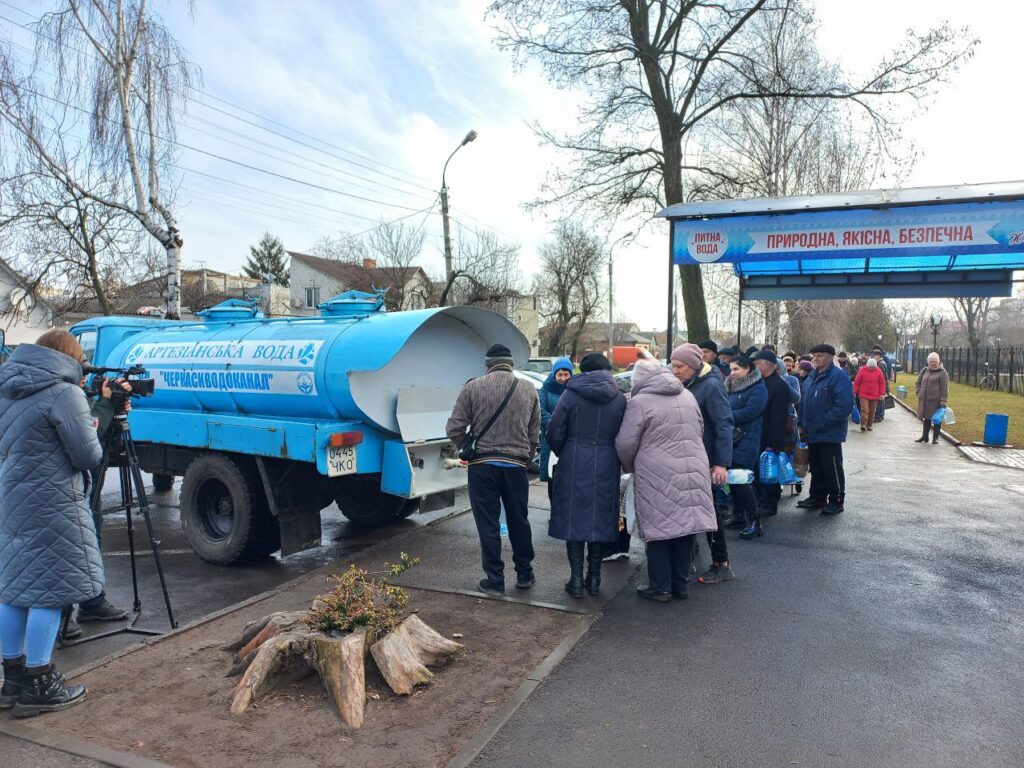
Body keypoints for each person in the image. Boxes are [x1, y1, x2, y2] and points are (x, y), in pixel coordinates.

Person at [0, 330, 104, 717]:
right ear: (70, 358)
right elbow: (86, 456)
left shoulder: (7, 387)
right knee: (49, 590)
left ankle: (12, 679)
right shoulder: (64, 393)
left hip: (12, 499)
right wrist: (93, 427)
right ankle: (40, 681)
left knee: (13, 589)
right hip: (53, 502)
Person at [615, 360, 717, 602]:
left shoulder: (639, 402)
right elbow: (699, 429)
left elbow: (625, 443)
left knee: (659, 530)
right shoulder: (688, 395)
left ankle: (660, 587)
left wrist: (630, 467)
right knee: (685, 529)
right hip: (693, 468)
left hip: (656, 473)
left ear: (639, 379)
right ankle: (680, 585)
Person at [446, 344, 540, 595]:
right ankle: (524, 574)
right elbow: (534, 434)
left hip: (482, 466)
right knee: (518, 520)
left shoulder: (472, 387)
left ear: (487, 364)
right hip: (516, 467)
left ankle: (495, 580)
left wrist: (466, 447)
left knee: (487, 523)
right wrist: (525, 458)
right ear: (511, 364)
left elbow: (454, 427)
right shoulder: (528, 389)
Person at [546, 353, 626, 598]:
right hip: (607, 461)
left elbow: (554, 430)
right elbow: (626, 435)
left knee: (573, 520)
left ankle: (577, 580)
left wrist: (565, 451)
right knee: (600, 519)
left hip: (573, 460)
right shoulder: (620, 398)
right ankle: (595, 579)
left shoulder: (571, 394)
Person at [670, 343, 736, 584]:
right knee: (691, 511)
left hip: (706, 460)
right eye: (673, 365)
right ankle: (688, 559)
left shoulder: (710, 386)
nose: (675, 370)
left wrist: (720, 463)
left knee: (709, 513)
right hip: (688, 459)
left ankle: (722, 563)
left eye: (680, 366)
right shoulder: (688, 384)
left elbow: (724, 424)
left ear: (694, 366)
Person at [797, 344, 854, 516]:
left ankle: (836, 500)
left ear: (830, 357)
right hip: (811, 431)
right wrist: (801, 423)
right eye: (814, 356)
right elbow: (804, 402)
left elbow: (844, 406)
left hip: (829, 433)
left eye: (820, 356)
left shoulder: (838, 377)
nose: (815, 359)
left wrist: (822, 422)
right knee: (816, 466)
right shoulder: (812, 377)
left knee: (832, 468)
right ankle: (817, 497)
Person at [721, 356, 766, 538]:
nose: (732, 373)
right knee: (733, 480)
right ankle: (738, 515)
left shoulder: (758, 388)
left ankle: (755, 522)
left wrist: (724, 414)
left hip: (747, 438)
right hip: (733, 438)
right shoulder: (731, 386)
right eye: (731, 369)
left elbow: (751, 411)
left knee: (741, 481)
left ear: (748, 369)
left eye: (736, 369)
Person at [752, 350, 791, 522]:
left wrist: (774, 443)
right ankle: (761, 500)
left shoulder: (779, 385)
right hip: (759, 433)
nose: (755, 367)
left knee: (770, 470)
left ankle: (770, 503)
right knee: (760, 470)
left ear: (767, 364)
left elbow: (778, 416)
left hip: (771, 436)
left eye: (757, 364)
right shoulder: (761, 382)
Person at [539, 357, 573, 498]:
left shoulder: (574, 390)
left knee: (569, 477)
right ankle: (554, 512)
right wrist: (556, 424)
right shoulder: (545, 389)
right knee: (552, 477)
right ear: (554, 375)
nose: (563, 378)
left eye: (566, 374)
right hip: (550, 439)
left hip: (569, 439)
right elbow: (540, 411)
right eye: (560, 374)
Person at [915, 352, 950, 444]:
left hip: (936, 401)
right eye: (931, 362)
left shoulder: (943, 373)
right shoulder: (925, 370)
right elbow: (918, 382)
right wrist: (919, 393)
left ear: (938, 362)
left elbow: (945, 387)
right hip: (925, 401)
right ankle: (925, 436)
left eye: (935, 361)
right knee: (926, 419)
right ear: (928, 362)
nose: (933, 363)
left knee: (936, 420)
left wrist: (944, 399)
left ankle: (936, 438)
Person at [853, 357, 887, 432]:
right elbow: (857, 382)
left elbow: (882, 383)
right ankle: (863, 425)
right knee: (865, 410)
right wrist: (854, 392)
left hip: (875, 395)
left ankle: (869, 425)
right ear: (867, 365)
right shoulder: (862, 370)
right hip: (863, 394)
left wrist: (882, 393)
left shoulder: (878, 371)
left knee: (872, 411)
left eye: (873, 367)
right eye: (870, 367)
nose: (871, 368)